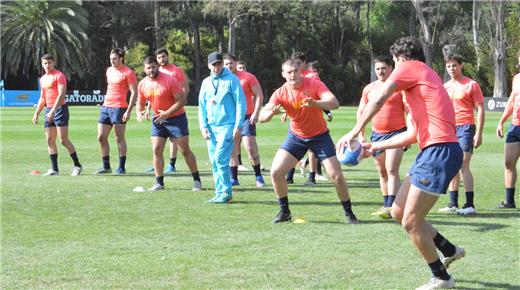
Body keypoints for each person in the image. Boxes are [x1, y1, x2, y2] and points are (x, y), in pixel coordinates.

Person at [337, 37, 464, 289]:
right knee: (397, 212)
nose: (392, 70)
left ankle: (441, 277)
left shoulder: (410, 67)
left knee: (411, 222)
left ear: (400, 59)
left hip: (439, 151)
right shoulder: (421, 83)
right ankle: (449, 249)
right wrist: (374, 145)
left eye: (392, 63)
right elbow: (413, 133)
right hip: (432, 150)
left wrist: (354, 131)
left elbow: (378, 97)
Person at [259, 59, 359, 224]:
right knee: (275, 172)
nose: (293, 75)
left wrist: (316, 103)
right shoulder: (280, 93)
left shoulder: (314, 84)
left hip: (320, 136)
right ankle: (285, 212)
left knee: (336, 175)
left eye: (295, 71)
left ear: (301, 71)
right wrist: (271, 113)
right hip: (296, 137)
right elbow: (262, 117)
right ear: (283, 75)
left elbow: (334, 103)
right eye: (289, 72)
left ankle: (349, 213)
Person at [137, 56, 202, 191]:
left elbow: (182, 100)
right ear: (144, 69)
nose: (151, 70)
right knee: (156, 149)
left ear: (157, 66)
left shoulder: (169, 80)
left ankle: (196, 180)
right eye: (148, 68)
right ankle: (159, 183)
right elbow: (141, 101)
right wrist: (139, 112)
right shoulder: (142, 84)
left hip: (177, 119)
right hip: (158, 120)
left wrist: (167, 113)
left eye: (153, 67)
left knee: (184, 150)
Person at [357, 55, 407, 219]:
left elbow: (409, 111)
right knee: (382, 171)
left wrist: (408, 136)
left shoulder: (398, 87)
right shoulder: (369, 89)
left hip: (397, 133)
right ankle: (387, 205)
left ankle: (393, 207)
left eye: (383, 68)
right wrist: (361, 135)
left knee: (392, 169)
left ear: (391, 68)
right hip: (377, 135)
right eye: (377, 68)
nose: (380, 71)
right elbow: (362, 112)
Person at [438, 53, 485, 215]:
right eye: (449, 66)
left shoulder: (471, 85)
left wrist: (478, 133)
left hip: (466, 127)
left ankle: (470, 205)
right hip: (449, 129)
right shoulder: (445, 87)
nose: (452, 69)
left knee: (463, 164)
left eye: (454, 65)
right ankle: (453, 203)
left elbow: (480, 109)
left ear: (461, 66)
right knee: (452, 165)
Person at [198, 51, 246, 204]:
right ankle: (219, 192)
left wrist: (238, 126)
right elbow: (202, 106)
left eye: (219, 63)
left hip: (227, 126)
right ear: (209, 66)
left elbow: (240, 103)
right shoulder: (206, 82)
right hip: (211, 127)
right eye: (214, 64)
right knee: (213, 161)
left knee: (220, 158)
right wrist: (203, 126)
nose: (217, 67)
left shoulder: (232, 80)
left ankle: (227, 193)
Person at [32, 54, 83, 176]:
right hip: (48, 110)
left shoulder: (59, 76)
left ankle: (77, 165)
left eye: (49, 62)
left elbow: (61, 95)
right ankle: (54, 169)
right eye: (45, 63)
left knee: (63, 140)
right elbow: (42, 98)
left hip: (60, 109)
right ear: (42, 64)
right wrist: (37, 113)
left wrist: (53, 110)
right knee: (49, 140)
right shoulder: (43, 79)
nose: (47, 65)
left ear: (54, 63)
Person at [144, 48, 191, 174]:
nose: (162, 59)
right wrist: (148, 108)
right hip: (159, 112)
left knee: (174, 140)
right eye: (159, 57)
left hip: (175, 110)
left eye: (163, 56)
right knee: (158, 145)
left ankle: (172, 164)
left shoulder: (176, 71)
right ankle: (158, 167)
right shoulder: (154, 71)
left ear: (167, 56)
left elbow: (185, 87)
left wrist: (178, 104)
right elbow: (152, 93)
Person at [223, 53, 266, 188]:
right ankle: (234, 178)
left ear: (235, 63)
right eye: (226, 63)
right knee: (233, 149)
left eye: (231, 63)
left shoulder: (248, 77)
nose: (229, 66)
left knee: (250, 147)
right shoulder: (222, 78)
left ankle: (258, 176)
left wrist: (256, 112)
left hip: (247, 116)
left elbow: (259, 95)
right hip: (230, 118)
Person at [97, 48, 137, 175]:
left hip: (119, 108)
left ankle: (121, 167)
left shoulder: (128, 73)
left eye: (114, 59)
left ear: (121, 58)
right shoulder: (109, 70)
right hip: (106, 107)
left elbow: (134, 92)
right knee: (101, 137)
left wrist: (129, 111)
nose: (112, 61)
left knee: (119, 138)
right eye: (110, 59)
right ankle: (106, 166)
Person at [496, 50, 520, 209]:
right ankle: (509, 201)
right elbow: (512, 101)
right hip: (515, 126)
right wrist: (501, 121)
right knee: (509, 162)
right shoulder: (517, 78)